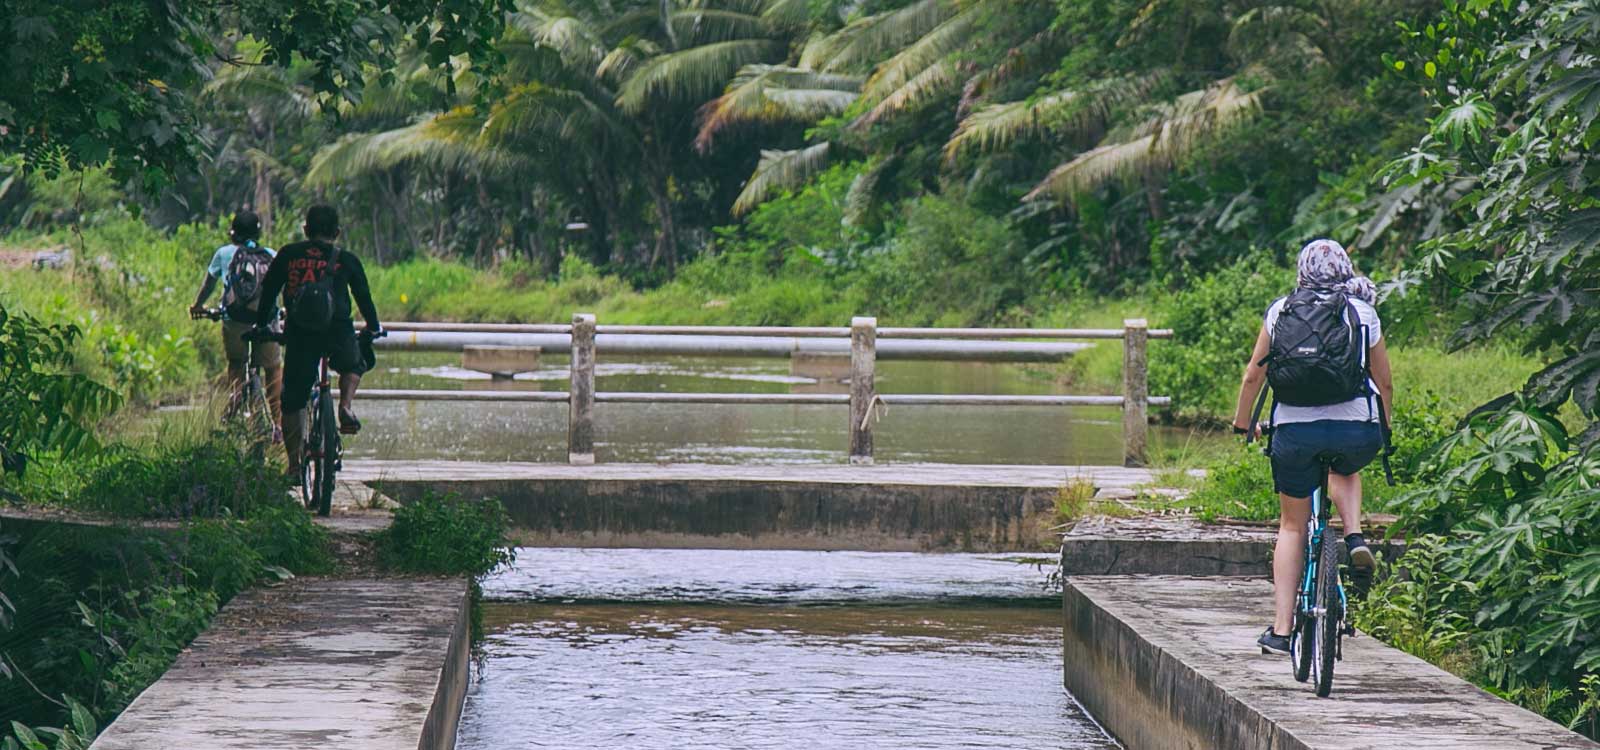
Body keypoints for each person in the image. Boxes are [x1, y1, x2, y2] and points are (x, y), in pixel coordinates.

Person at [1231, 239, 1394, 656]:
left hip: (1295, 433)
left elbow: (1253, 376)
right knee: (1345, 467)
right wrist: (1383, 428)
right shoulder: (1363, 311)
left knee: (1292, 526)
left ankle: (1282, 631)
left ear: (1302, 272)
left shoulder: (1281, 309)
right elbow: (1384, 381)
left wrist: (1243, 423)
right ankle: (1354, 537)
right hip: (1355, 431)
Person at [254, 204, 382, 477]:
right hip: (338, 332)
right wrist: (373, 328)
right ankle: (345, 406)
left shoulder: (289, 254)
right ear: (337, 232)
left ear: (306, 229)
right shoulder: (346, 260)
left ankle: (294, 465)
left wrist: (262, 325)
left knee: (293, 400)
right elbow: (364, 298)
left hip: (300, 334)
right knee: (354, 363)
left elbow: (269, 293)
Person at [189, 210, 283, 443]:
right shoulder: (271, 255)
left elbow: (208, 285)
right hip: (266, 323)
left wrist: (198, 306)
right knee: (272, 368)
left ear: (233, 234)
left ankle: (235, 397)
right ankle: (279, 425)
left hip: (235, 322)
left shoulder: (223, 254)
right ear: (258, 233)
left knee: (236, 362)